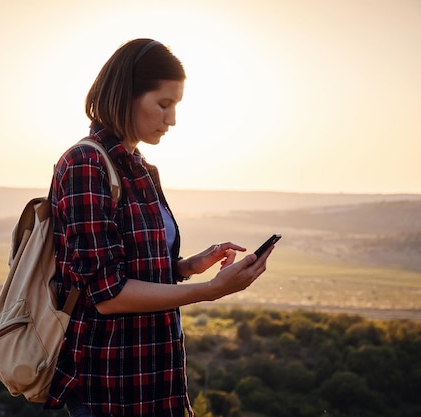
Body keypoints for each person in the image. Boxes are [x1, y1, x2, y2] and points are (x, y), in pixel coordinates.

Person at [46, 38, 274, 417]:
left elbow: (135, 268)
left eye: (176, 106)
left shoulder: (141, 167)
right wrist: (211, 290)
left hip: (157, 377)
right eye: (163, 105)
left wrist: (187, 267)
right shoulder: (86, 164)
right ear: (125, 96)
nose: (172, 120)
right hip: (110, 384)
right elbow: (108, 294)